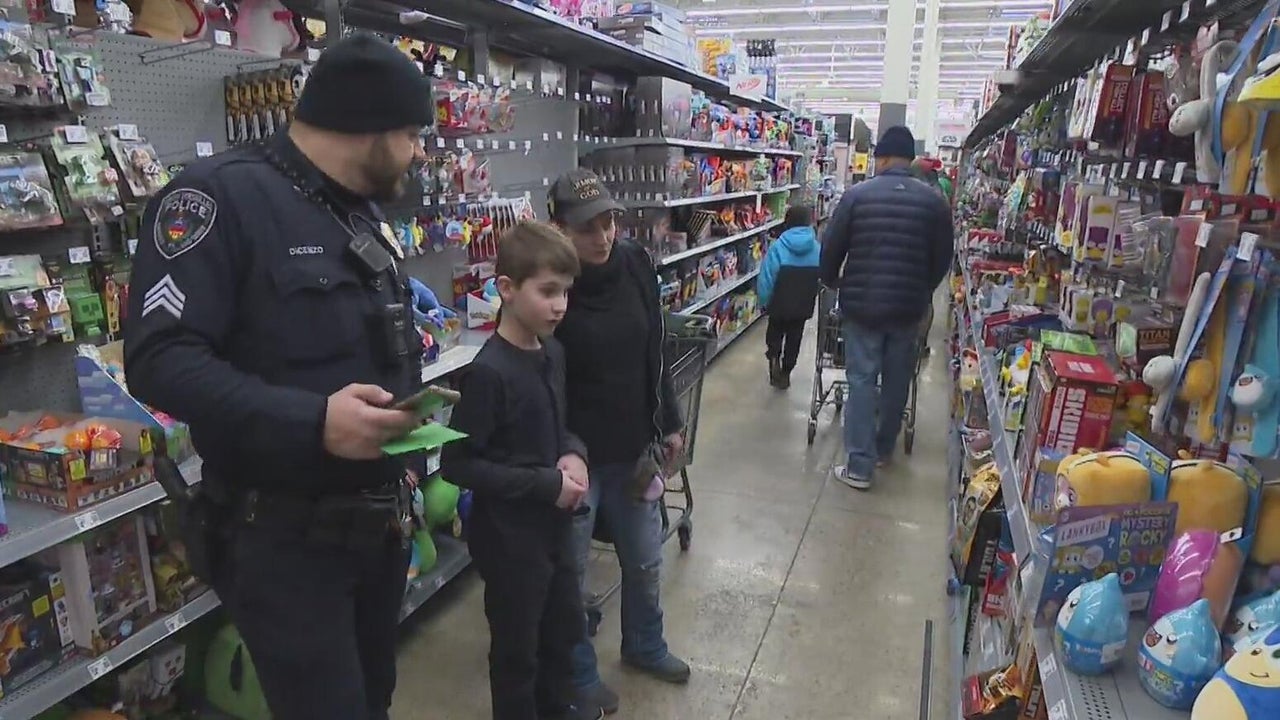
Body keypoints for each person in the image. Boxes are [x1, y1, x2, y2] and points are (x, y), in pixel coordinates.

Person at [123, 34, 432, 720]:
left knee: (372, 701)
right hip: (286, 542)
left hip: (379, 527)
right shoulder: (215, 200)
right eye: (413, 134)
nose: (419, 153)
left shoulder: (356, 207)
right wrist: (313, 421)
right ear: (368, 124)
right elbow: (158, 358)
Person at [441, 222, 599, 720]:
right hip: (509, 540)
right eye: (548, 292)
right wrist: (546, 483)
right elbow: (458, 464)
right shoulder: (488, 373)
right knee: (517, 653)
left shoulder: (553, 352)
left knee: (562, 633)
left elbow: (561, 424)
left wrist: (574, 453)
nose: (560, 305)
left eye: (565, 292)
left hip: (555, 529)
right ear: (506, 289)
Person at [547, 168, 690, 716]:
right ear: (559, 228)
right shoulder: (550, 283)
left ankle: (645, 645)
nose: (603, 236)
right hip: (575, 459)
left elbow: (656, 348)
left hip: (634, 451)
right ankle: (578, 676)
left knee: (646, 561)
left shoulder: (635, 264)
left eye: (608, 221)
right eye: (587, 227)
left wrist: (669, 421)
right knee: (570, 576)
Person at [819, 126, 954, 491]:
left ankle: (859, 467)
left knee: (862, 380)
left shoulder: (857, 196)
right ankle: (882, 450)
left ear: (881, 158)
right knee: (897, 379)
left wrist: (831, 280)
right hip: (908, 307)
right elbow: (943, 257)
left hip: (862, 305)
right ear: (910, 160)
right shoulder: (934, 203)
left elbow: (832, 247)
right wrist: (923, 288)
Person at [757, 204, 820, 389]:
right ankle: (786, 371)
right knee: (795, 337)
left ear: (787, 222)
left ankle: (774, 357)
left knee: (775, 332)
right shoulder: (817, 248)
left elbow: (767, 277)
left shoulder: (778, 247)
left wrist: (764, 301)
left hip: (779, 302)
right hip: (802, 304)